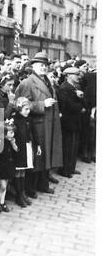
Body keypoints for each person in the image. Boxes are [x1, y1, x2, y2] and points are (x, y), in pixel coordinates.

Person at [15, 52, 63, 196]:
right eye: (40, 65)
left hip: (49, 122)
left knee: (46, 155)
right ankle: (31, 188)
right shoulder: (27, 83)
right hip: (37, 124)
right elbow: (21, 103)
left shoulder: (47, 80)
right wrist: (41, 104)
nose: (44, 67)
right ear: (33, 66)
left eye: (46, 65)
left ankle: (43, 184)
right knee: (37, 156)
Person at [57, 67, 85, 178]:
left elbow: (82, 102)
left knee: (74, 145)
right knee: (67, 146)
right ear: (68, 75)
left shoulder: (75, 87)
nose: (78, 77)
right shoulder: (64, 88)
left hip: (74, 121)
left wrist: (80, 99)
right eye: (76, 74)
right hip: (68, 122)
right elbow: (67, 105)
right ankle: (65, 170)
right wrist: (80, 107)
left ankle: (71, 168)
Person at [13, 97, 41, 207]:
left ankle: (23, 192)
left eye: (29, 109)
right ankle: (18, 195)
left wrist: (38, 145)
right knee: (18, 170)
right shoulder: (15, 120)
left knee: (24, 170)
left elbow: (34, 132)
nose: (28, 112)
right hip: (19, 149)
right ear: (19, 109)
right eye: (25, 109)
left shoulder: (29, 119)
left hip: (28, 146)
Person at [0, 119, 17, 213]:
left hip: (8, 166)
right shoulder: (0, 142)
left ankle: (2, 202)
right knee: (2, 185)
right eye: (10, 132)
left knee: (5, 185)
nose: (12, 135)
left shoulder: (10, 142)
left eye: (13, 132)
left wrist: (13, 143)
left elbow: (16, 151)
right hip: (1, 168)